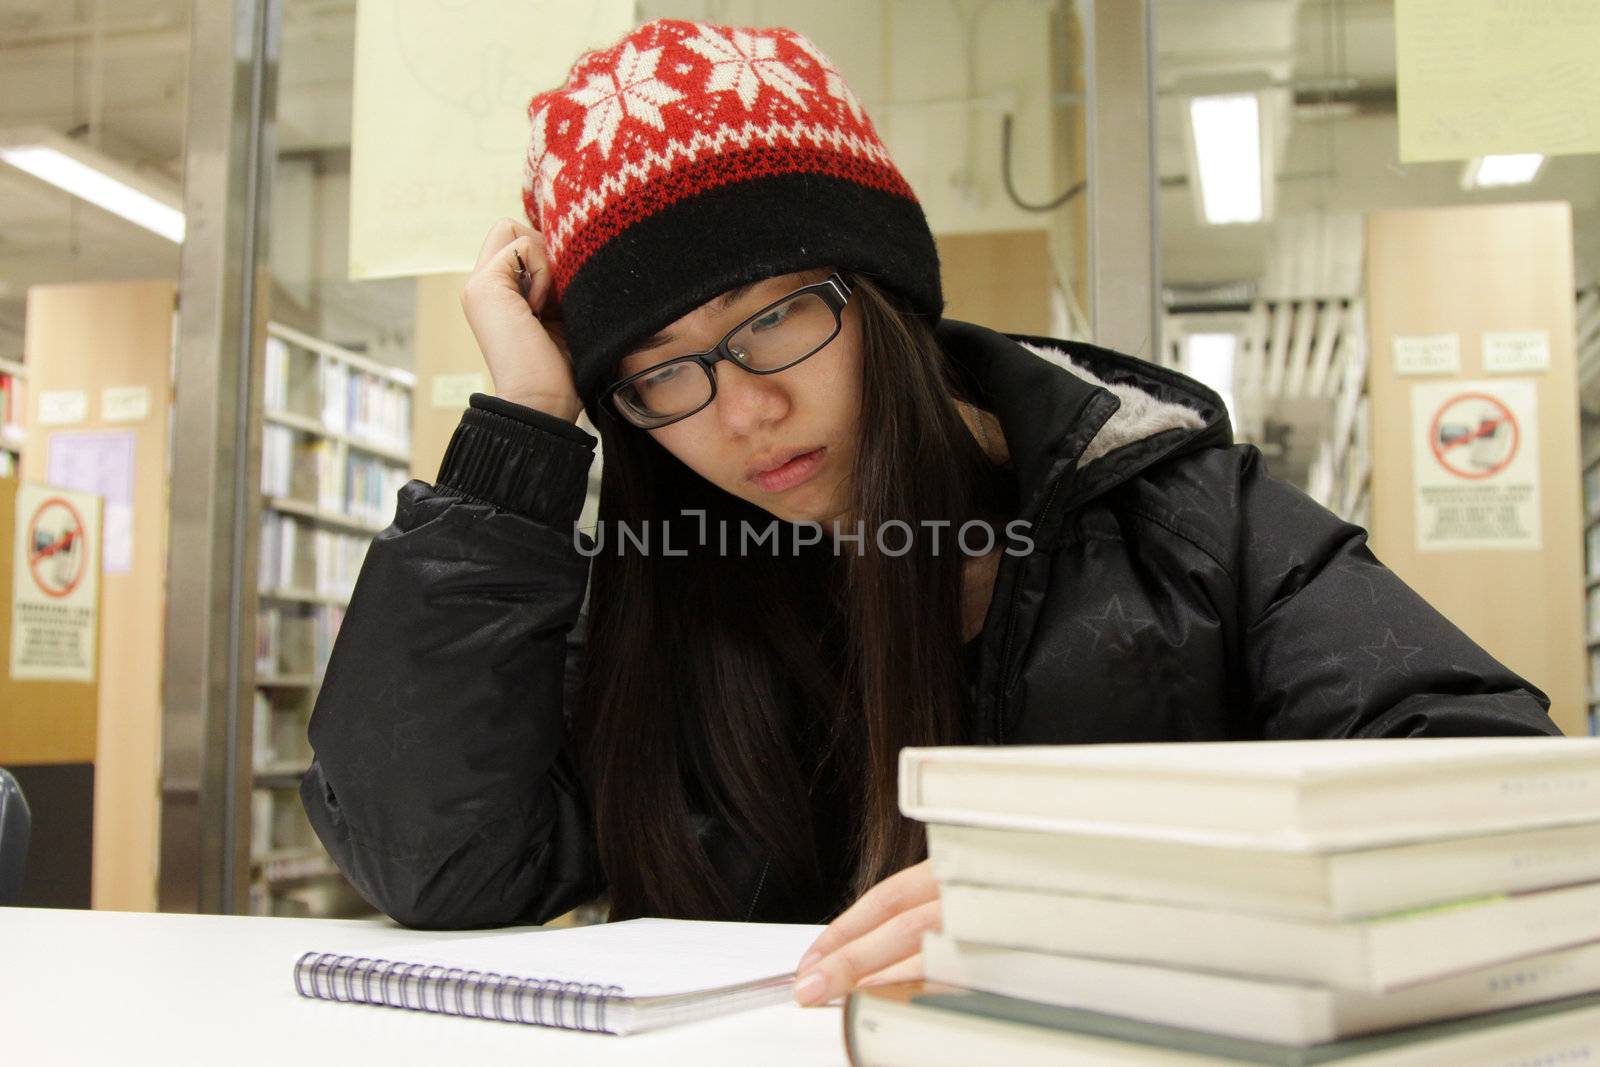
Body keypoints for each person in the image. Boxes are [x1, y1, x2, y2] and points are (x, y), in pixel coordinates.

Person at [300, 17, 1558, 1009]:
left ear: (885, 293)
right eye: (659, 372)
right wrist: (519, 433)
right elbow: (441, 868)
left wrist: (1108, 902)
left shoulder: (1186, 521)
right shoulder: (673, 582)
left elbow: (1507, 802)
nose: (738, 410)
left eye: (777, 315)